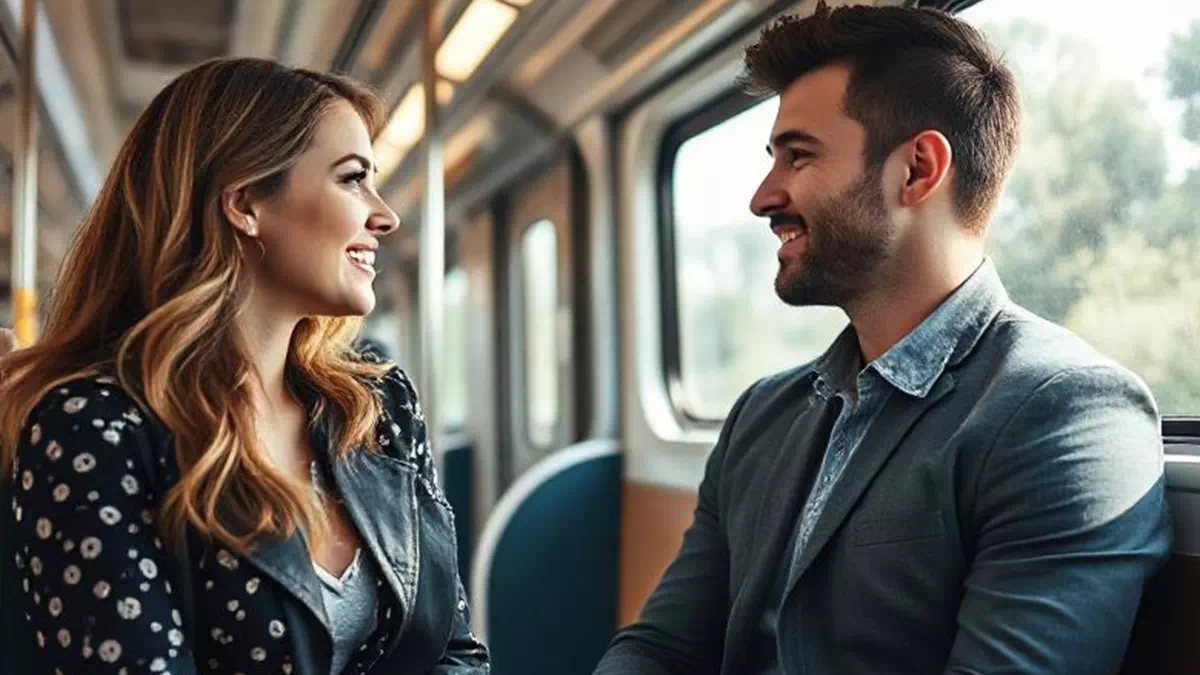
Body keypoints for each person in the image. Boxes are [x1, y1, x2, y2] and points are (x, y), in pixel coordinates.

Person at [593, 4, 1172, 674]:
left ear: (917, 170)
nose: (761, 196)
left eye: (798, 155)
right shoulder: (762, 415)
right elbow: (661, 648)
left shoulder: (1064, 414)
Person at [0, 58, 488, 674]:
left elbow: (453, 652)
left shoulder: (379, 407)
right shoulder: (93, 426)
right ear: (245, 204)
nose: (384, 215)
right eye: (353, 179)